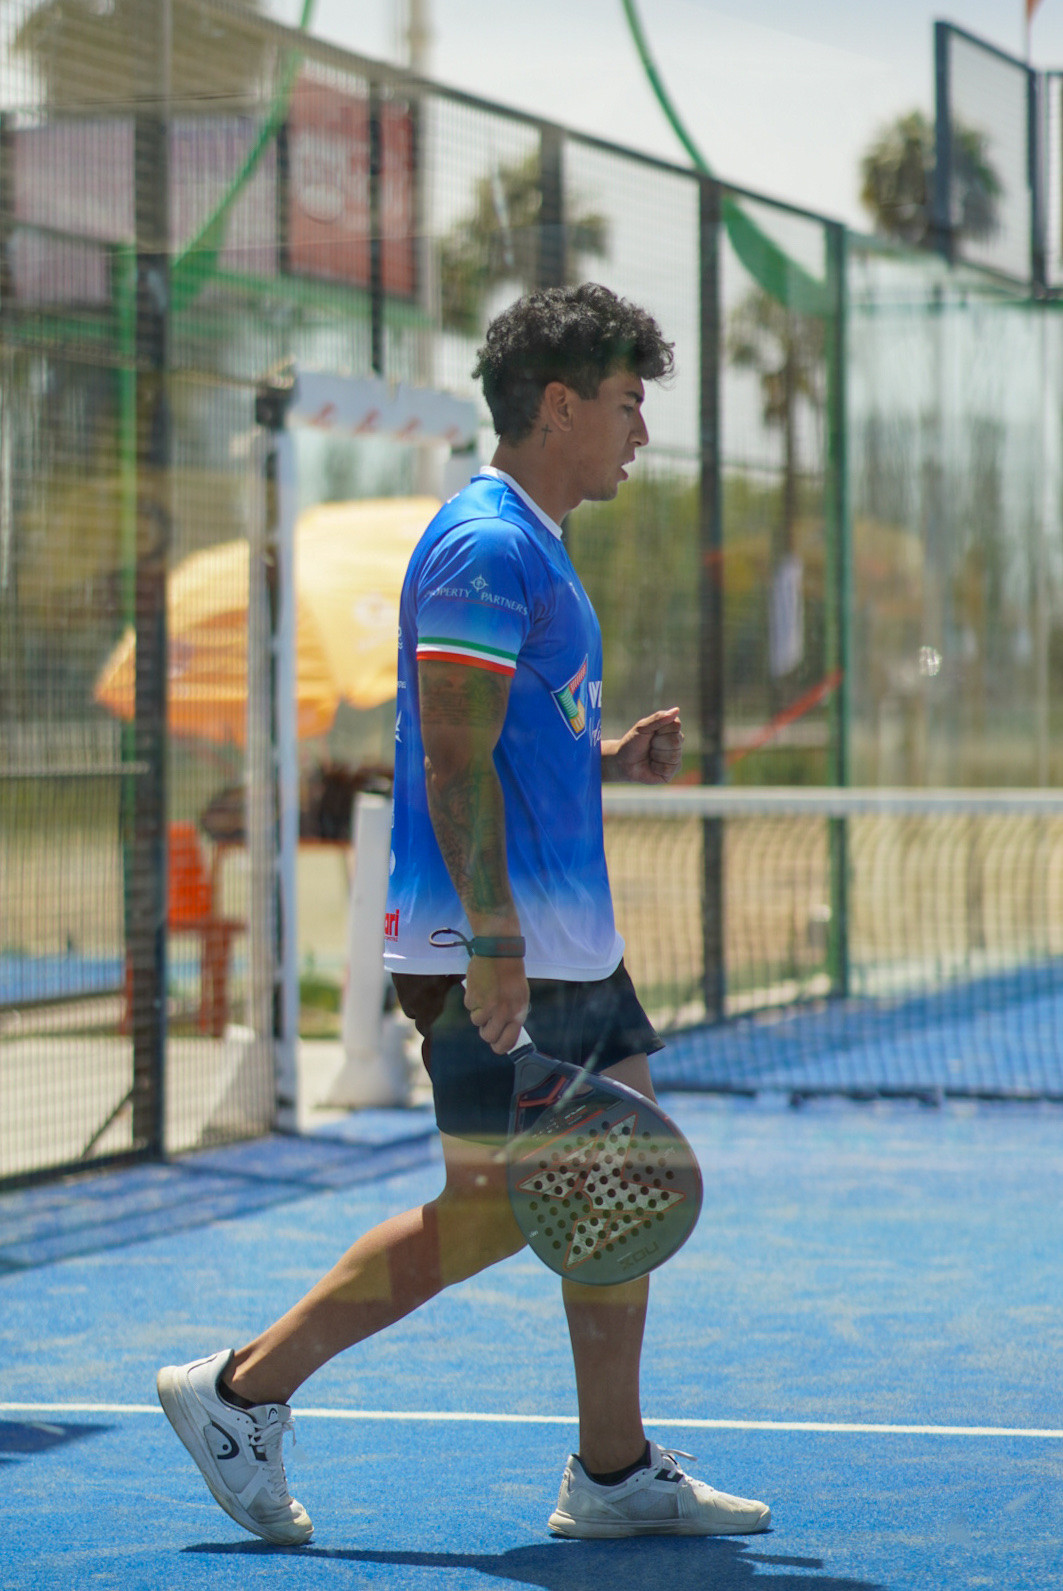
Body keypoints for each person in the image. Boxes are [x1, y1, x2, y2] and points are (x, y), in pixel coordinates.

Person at [156, 283, 771, 1546]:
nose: (639, 430)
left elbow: (509, 739)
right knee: (490, 1211)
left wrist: (605, 756)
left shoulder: (536, 544)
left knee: (621, 1181)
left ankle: (613, 1469)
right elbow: (447, 754)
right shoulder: (484, 544)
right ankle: (240, 1393)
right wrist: (490, 939)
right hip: (494, 946)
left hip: (568, 943)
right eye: (625, 402)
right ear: (558, 405)